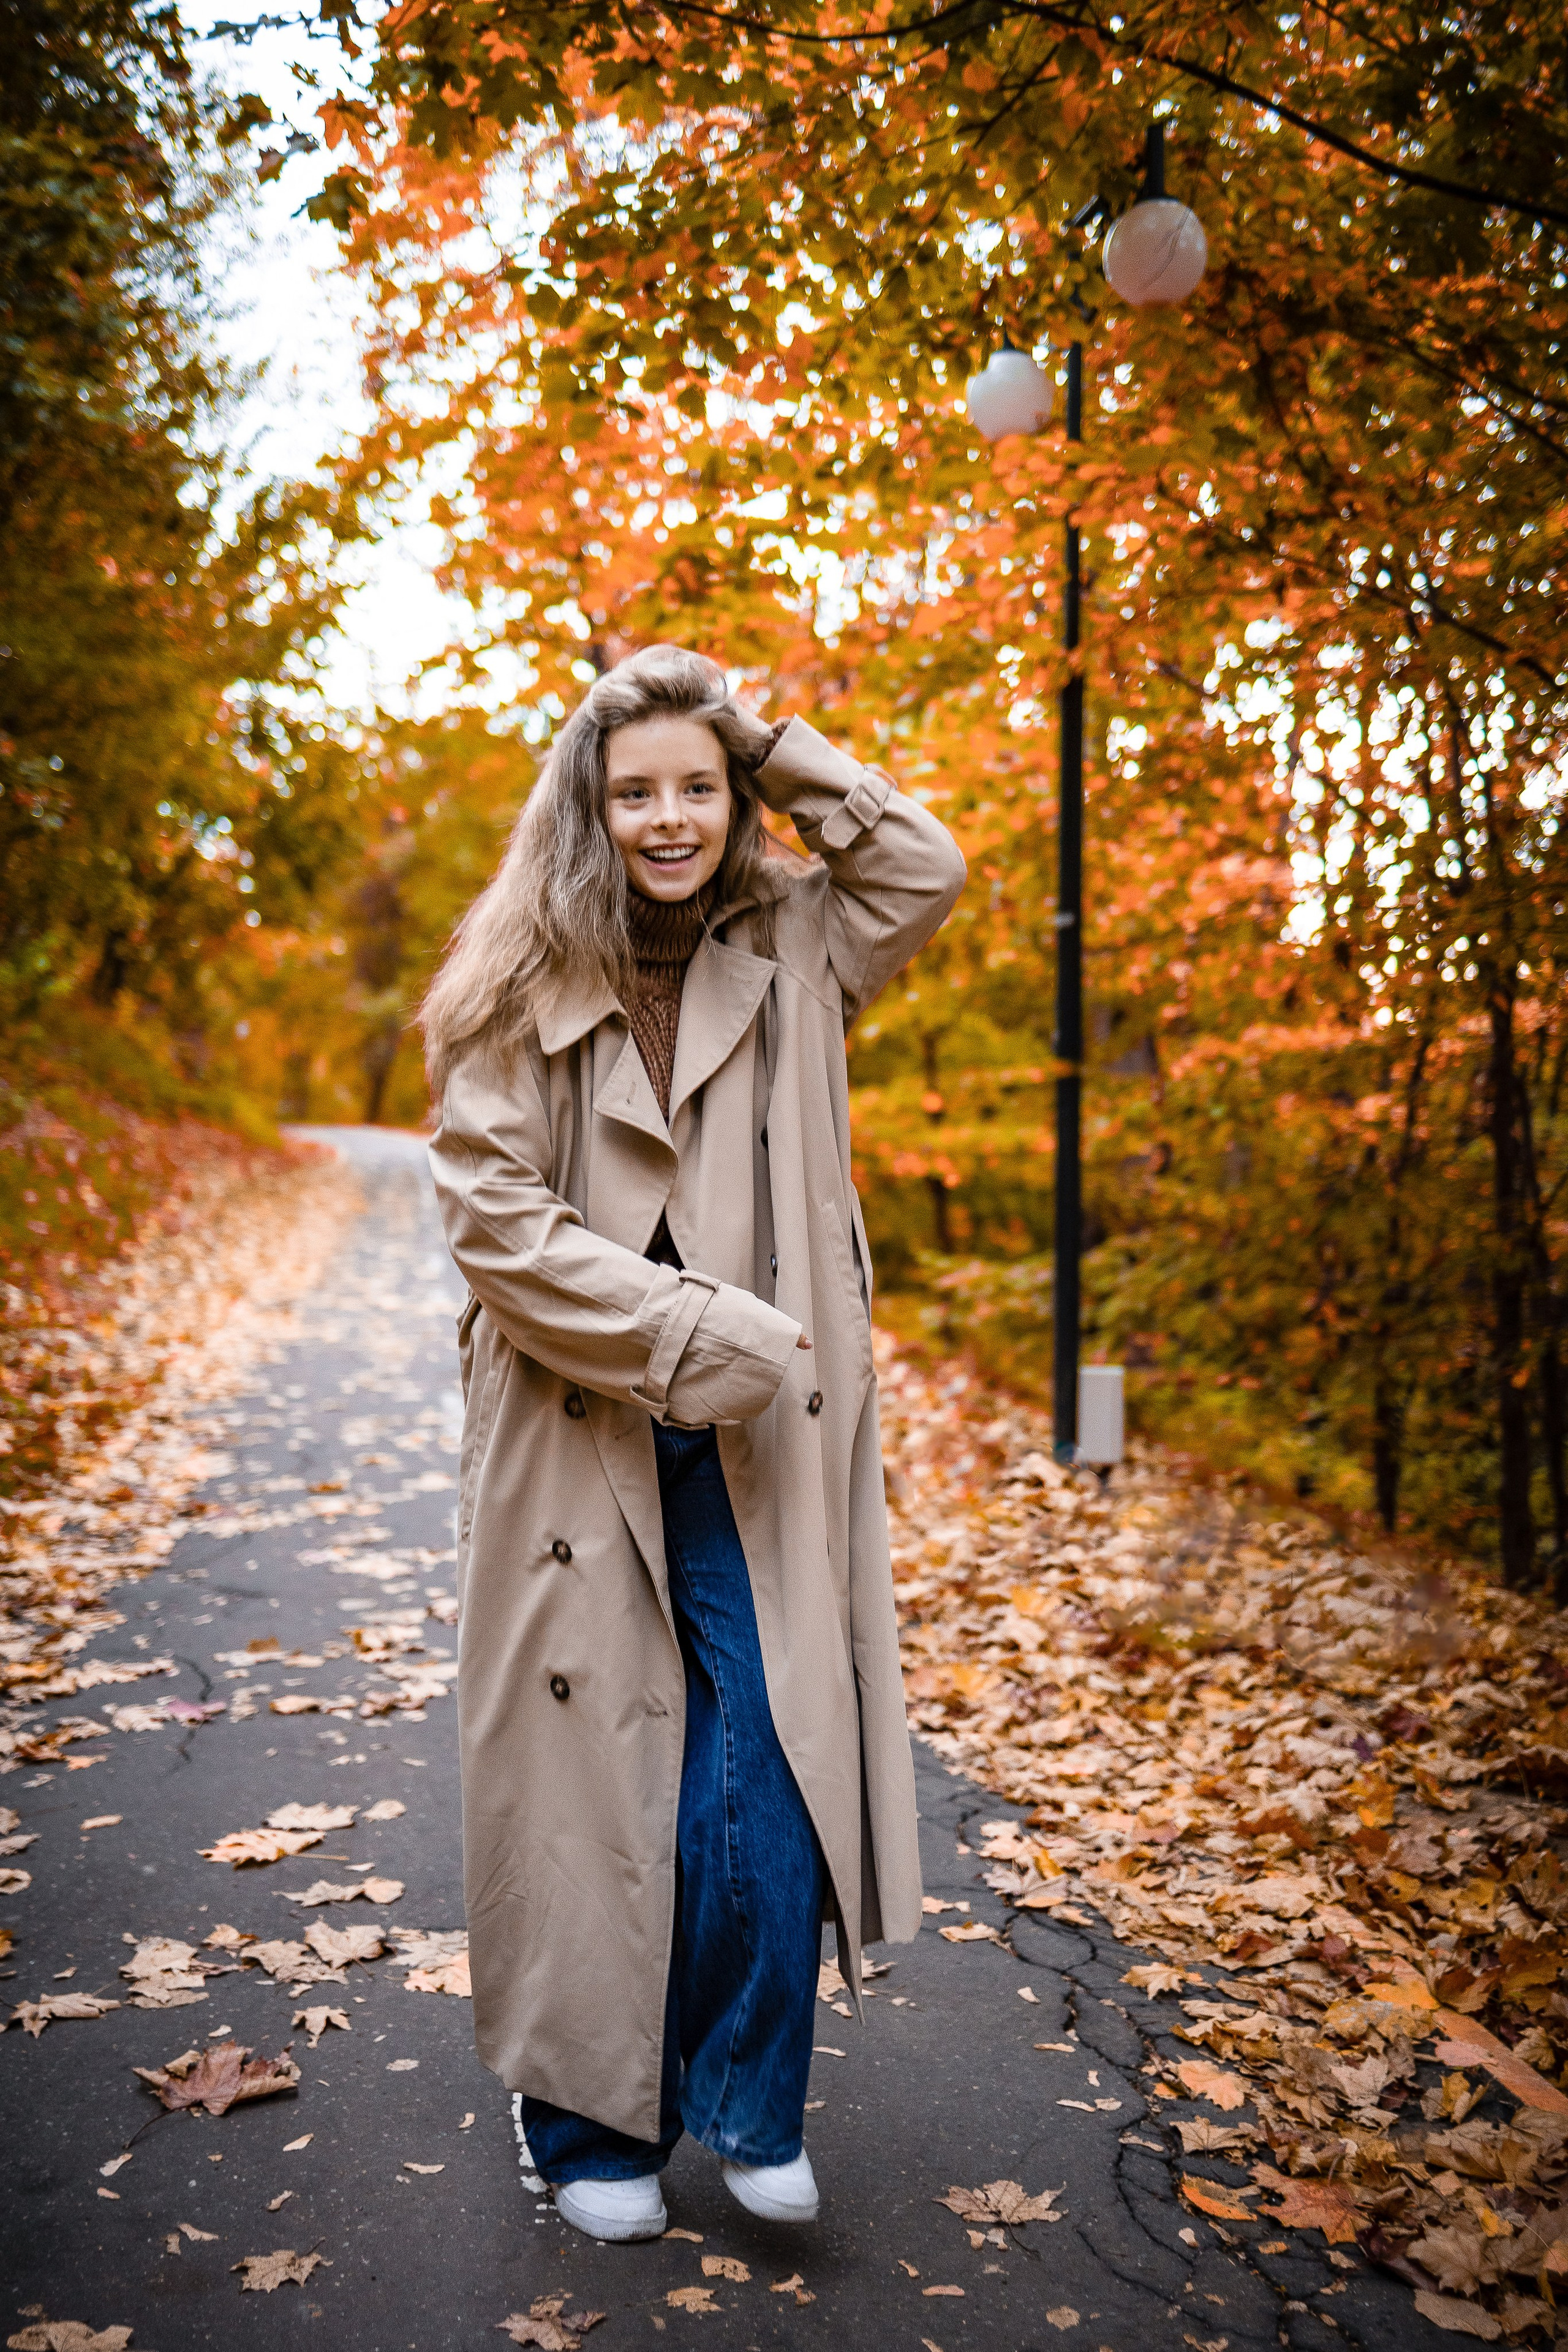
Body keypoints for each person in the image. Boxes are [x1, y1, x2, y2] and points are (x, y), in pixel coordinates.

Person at [422, 644, 966, 2241]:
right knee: (588, 1774)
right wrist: (685, 1333)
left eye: (697, 785)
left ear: (735, 800)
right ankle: (585, 2129)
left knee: (771, 1754)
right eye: (634, 788)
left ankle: (746, 2097)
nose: (668, 817)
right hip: (580, 1430)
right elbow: (498, 1227)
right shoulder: (514, 979)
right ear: (589, 809)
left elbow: (921, 865)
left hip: (758, 1433)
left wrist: (771, 732)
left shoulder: (799, 940)